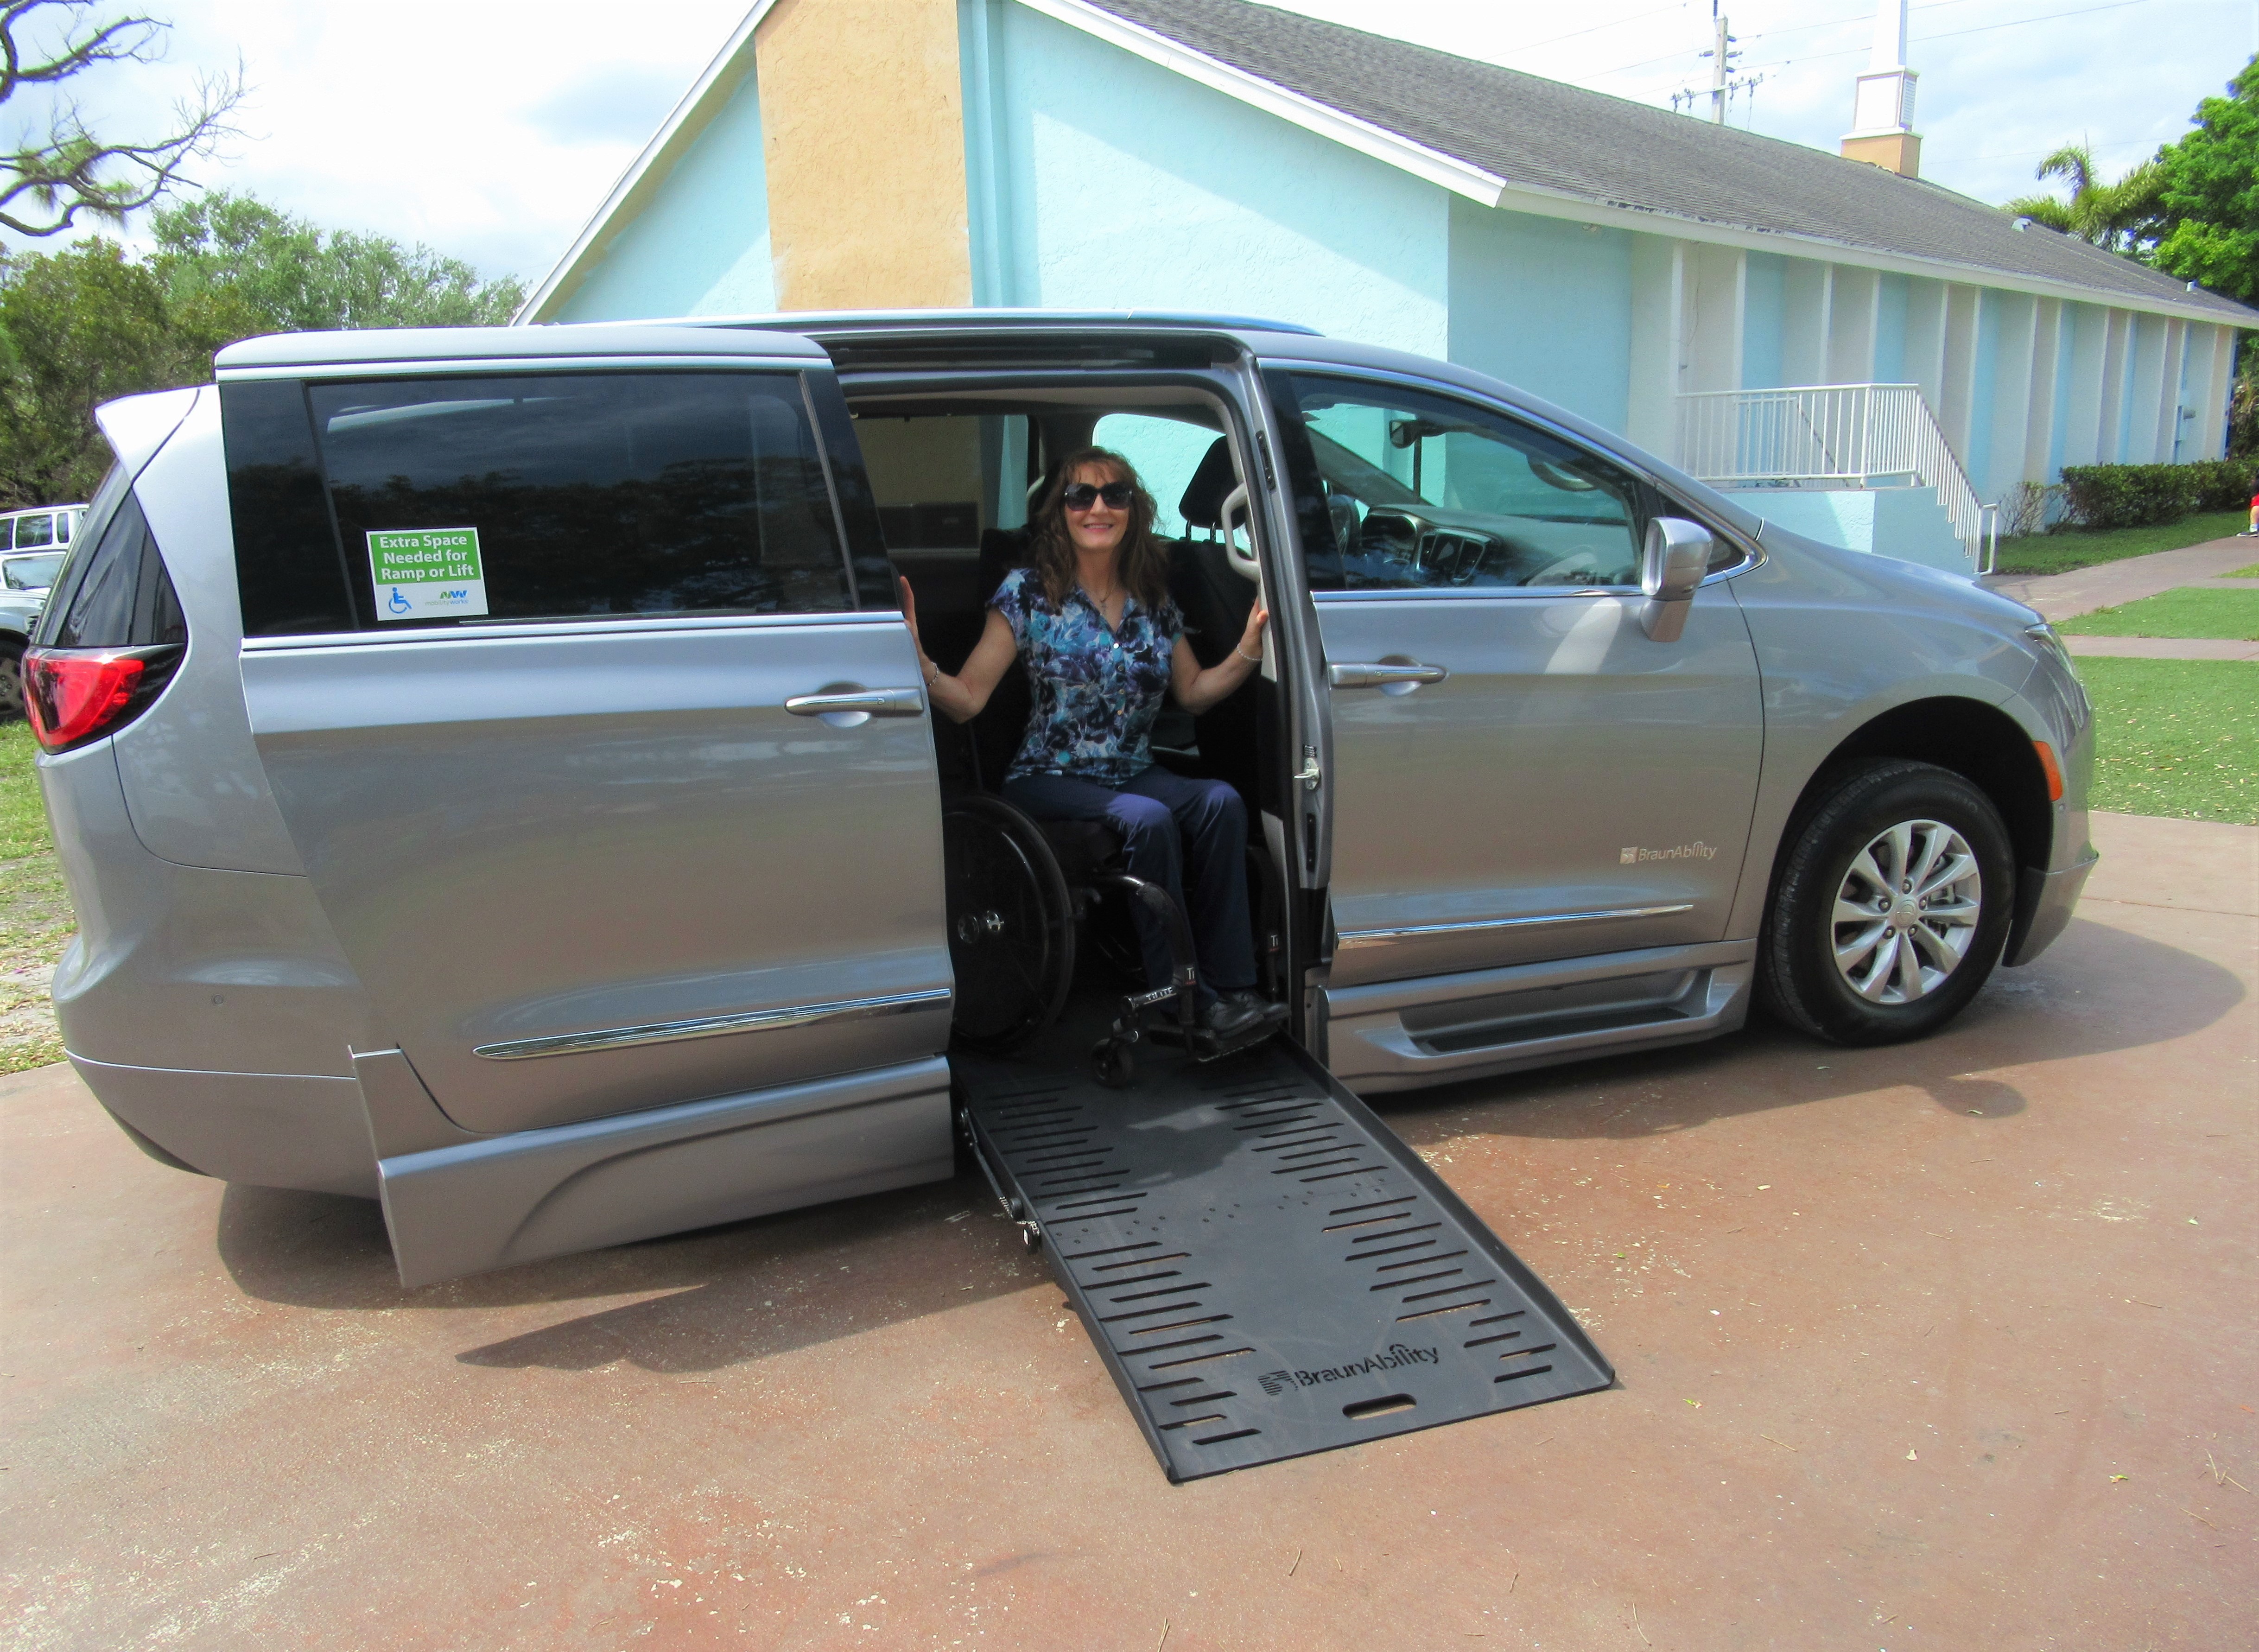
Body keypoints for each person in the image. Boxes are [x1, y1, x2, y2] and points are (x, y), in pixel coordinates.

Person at [901, 446, 1282, 1042]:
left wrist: (1252, 643)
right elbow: (970, 698)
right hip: (1048, 776)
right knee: (1149, 819)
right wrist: (920, 660)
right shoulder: (1026, 593)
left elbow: (1196, 693)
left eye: (1114, 495)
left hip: (1127, 770)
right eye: (1081, 496)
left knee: (1220, 803)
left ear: (1132, 510)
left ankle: (1234, 988)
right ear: (1061, 513)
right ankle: (1181, 999)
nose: (1097, 507)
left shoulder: (1152, 600)